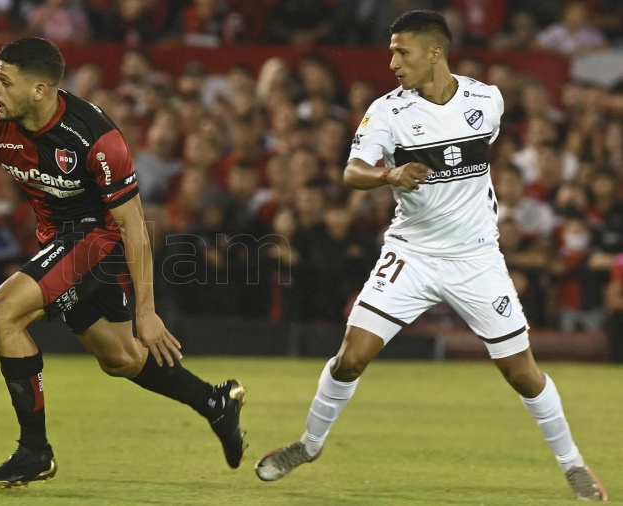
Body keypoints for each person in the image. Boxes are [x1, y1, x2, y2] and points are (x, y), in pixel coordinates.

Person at [0, 37, 246, 488]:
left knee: (1, 315)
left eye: (5, 80)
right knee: (120, 358)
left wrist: (146, 311)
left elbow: (134, 227)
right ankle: (214, 402)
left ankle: (34, 452)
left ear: (40, 90)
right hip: (57, 241)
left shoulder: (96, 138)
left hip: (96, 240)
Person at [254, 11, 608, 502]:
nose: (393, 61)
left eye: (402, 51)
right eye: (392, 51)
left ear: (434, 52)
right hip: (412, 254)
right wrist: (388, 176)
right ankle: (309, 445)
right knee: (350, 359)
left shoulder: (487, 100)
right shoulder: (387, 111)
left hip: (477, 258)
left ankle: (574, 465)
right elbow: (353, 171)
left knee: (522, 372)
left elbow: (475, 159)